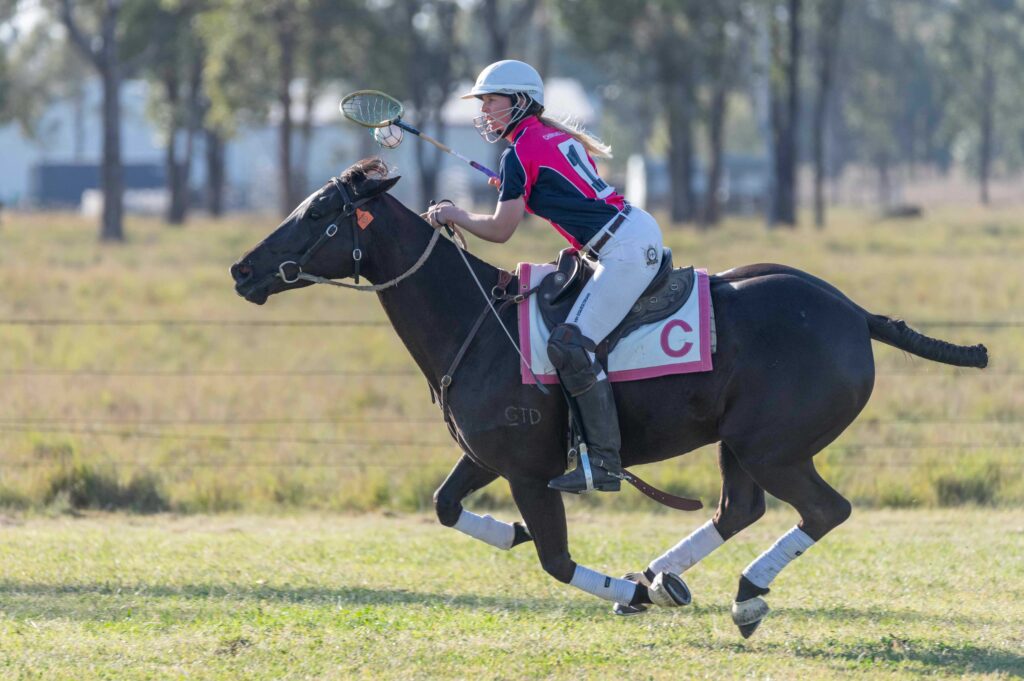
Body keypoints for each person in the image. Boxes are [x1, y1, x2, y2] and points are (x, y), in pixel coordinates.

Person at [426, 60, 665, 494]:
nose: (484, 112)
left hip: (623, 249)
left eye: (491, 101)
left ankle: (606, 464)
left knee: (569, 345)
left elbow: (500, 231)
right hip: (625, 235)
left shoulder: (518, 153)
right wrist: (512, 184)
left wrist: (454, 213)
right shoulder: (548, 137)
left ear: (519, 102)